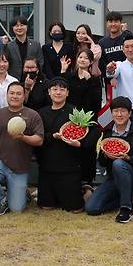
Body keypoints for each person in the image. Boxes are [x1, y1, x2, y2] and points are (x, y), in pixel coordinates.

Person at [85, 97, 133, 223]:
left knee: (118, 163)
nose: (119, 114)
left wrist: (129, 158)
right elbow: (101, 162)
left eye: (123, 111)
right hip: (114, 179)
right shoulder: (107, 133)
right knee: (92, 208)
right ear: (111, 113)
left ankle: (126, 209)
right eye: (116, 111)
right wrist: (105, 156)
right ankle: (125, 199)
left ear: (129, 113)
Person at [0, 82, 43, 214]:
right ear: (7, 95)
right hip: (0, 159)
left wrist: (22, 137)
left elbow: (39, 140)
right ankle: (3, 199)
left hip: (20, 165)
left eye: (18, 93)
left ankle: (21, 194)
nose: (15, 96)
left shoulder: (33, 115)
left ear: (24, 96)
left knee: (17, 209)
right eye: (12, 93)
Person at [36, 77, 89, 212]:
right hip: (47, 167)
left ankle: (85, 190)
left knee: (74, 209)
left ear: (67, 93)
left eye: (62, 89)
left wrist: (78, 142)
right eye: (54, 89)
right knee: (46, 207)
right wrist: (52, 136)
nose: (58, 92)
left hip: (69, 168)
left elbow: (84, 135)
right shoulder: (41, 113)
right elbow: (39, 137)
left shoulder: (74, 112)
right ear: (49, 92)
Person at [64, 49, 103, 187]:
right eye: (80, 57)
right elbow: (62, 94)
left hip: (88, 122)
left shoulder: (95, 80)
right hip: (70, 120)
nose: (82, 60)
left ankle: (87, 181)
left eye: (86, 58)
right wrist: (63, 72)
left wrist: (89, 81)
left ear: (91, 62)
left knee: (87, 150)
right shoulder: (69, 77)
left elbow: (97, 102)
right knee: (70, 151)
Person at [98, 11, 132, 87]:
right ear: (107, 24)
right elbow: (102, 63)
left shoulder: (127, 37)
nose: (113, 24)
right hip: (111, 82)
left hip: (128, 79)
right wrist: (111, 77)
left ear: (121, 23)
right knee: (112, 99)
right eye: (110, 21)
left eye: (116, 21)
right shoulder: (102, 42)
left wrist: (125, 31)